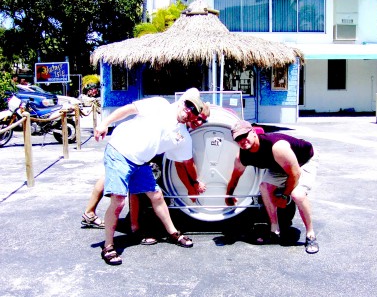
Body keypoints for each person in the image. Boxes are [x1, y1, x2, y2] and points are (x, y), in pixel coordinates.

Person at [94, 88, 208, 265]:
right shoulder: (159, 105)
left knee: (156, 196)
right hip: (120, 151)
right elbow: (128, 109)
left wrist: (194, 183)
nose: (188, 111)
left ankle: (173, 233)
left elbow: (185, 164)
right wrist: (105, 123)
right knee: (118, 200)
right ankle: (108, 246)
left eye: (194, 111)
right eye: (188, 106)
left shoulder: (183, 136)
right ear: (181, 102)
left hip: (141, 162)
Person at [81, 106, 210, 229]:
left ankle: (90, 213)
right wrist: (193, 185)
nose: (199, 122)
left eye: (203, 120)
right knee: (130, 185)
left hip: (138, 148)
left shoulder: (183, 126)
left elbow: (181, 164)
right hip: (133, 147)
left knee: (109, 178)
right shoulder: (178, 122)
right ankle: (134, 226)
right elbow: (183, 164)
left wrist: (191, 186)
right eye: (199, 117)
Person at [225, 120, 320, 254]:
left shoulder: (276, 146)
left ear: (252, 132)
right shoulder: (243, 155)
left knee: (297, 194)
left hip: (303, 161)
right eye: (238, 139)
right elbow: (235, 176)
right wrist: (229, 194)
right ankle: (274, 230)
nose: (242, 140)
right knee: (264, 187)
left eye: (244, 135)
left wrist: (284, 195)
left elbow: (295, 173)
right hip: (279, 165)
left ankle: (311, 234)